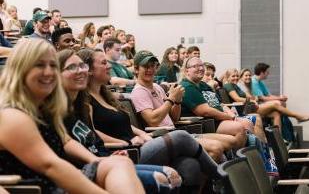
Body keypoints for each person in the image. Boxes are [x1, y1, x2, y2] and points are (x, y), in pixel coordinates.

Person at [0, 38, 145, 194]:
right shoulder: (12, 115)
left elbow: (66, 141)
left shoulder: (43, 110)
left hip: (55, 183)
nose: (49, 72)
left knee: (120, 163)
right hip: (39, 188)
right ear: (20, 69)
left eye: (53, 65)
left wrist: (96, 160)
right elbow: (51, 166)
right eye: (40, 65)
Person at [78, 48, 227, 192]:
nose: (109, 65)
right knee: (183, 136)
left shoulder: (107, 96)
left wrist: (176, 102)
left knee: (190, 166)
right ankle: (225, 177)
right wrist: (126, 143)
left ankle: (221, 182)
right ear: (89, 69)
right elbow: (93, 132)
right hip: (128, 151)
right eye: (104, 63)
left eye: (153, 66)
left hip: (143, 141)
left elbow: (131, 124)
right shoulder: (86, 101)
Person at [58, 49, 181, 193]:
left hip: (111, 156)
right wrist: (116, 148)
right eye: (72, 67)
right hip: (95, 164)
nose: (81, 71)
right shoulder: (57, 110)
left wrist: (111, 153)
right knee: (164, 173)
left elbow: (93, 139)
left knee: (174, 174)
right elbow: (67, 145)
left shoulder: (81, 106)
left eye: (82, 66)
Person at [130, 50, 241, 157]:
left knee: (232, 141)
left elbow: (174, 118)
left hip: (176, 132)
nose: (150, 69)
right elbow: (153, 121)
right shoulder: (139, 91)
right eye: (146, 66)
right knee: (216, 148)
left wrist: (177, 102)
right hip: (163, 138)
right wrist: (171, 100)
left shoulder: (157, 87)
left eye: (153, 66)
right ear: (136, 69)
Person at [179, 57, 251, 148]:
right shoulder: (187, 86)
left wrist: (231, 114)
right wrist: (227, 116)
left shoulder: (203, 84)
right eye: (195, 66)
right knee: (239, 128)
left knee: (247, 123)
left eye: (201, 66)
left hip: (219, 119)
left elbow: (220, 103)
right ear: (186, 71)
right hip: (207, 123)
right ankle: (237, 158)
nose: (201, 68)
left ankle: (258, 156)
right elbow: (205, 111)